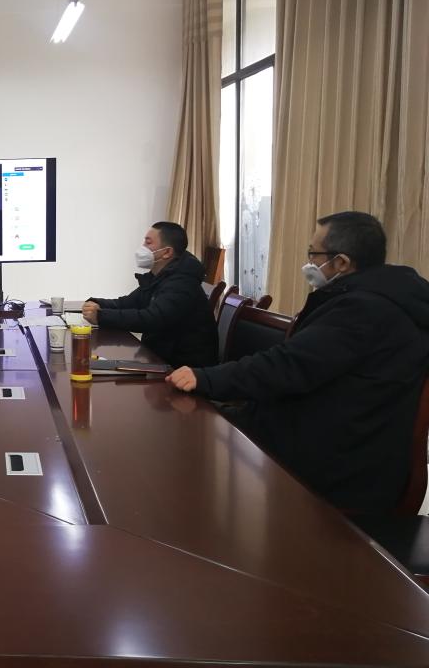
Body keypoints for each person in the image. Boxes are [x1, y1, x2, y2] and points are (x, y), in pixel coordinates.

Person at [167, 211, 429, 514]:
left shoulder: (366, 310)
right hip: (333, 437)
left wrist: (205, 378)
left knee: (191, 448)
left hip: (341, 467)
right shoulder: (380, 297)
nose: (309, 262)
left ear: (341, 262)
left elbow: (287, 366)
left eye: (313, 253)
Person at [81, 221, 218, 368]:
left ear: (167, 252)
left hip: (182, 368)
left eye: (148, 242)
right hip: (158, 356)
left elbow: (152, 319)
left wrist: (101, 316)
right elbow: (128, 303)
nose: (142, 247)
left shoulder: (182, 282)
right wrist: (96, 303)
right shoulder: (159, 276)